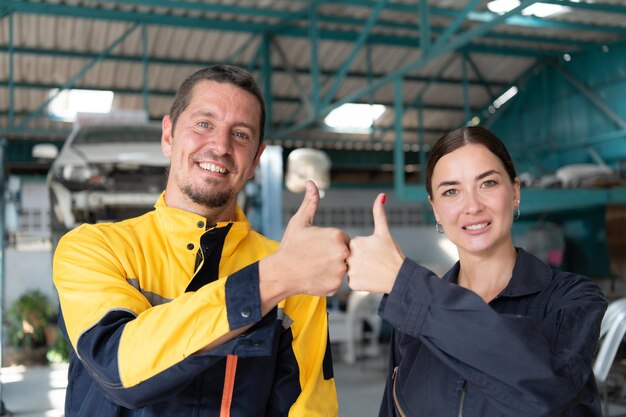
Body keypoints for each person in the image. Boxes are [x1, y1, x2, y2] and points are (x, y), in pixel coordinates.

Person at [53, 65, 350, 417]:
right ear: (168, 136)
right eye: (204, 124)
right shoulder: (94, 248)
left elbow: (310, 407)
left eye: (240, 134)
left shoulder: (294, 276)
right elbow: (118, 369)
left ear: (255, 160)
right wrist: (273, 278)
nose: (220, 146)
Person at [347, 126, 607, 416]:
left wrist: (405, 286)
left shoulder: (572, 299)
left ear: (515, 192)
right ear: (435, 209)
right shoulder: (409, 323)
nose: (472, 206)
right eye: (451, 191)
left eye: (488, 184)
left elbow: (547, 392)